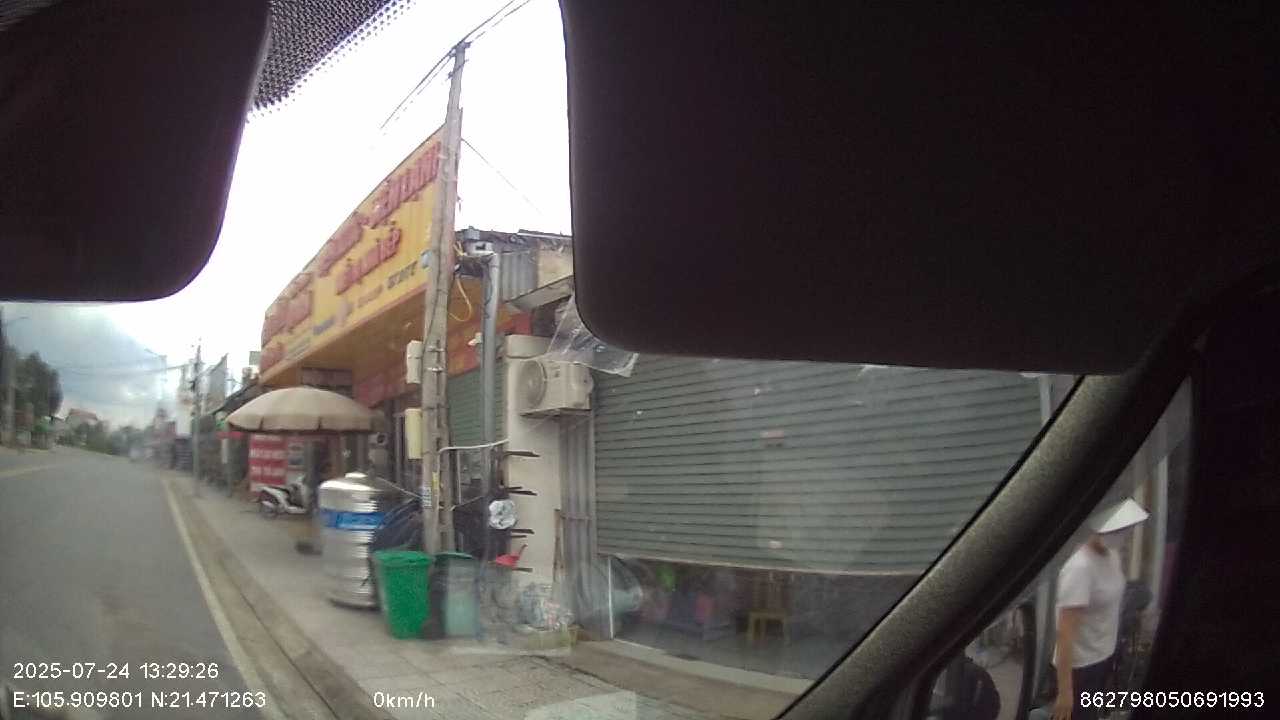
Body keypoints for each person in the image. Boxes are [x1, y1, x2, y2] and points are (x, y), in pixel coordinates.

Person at [1051, 498, 1149, 720]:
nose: (1126, 535)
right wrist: (1065, 693)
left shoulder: (1112, 555)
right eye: (1120, 529)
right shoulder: (1080, 568)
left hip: (1103, 656)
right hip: (1079, 669)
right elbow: (1065, 634)